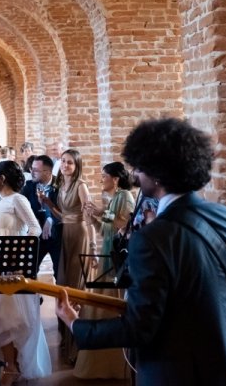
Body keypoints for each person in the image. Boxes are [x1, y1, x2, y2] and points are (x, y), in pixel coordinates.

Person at [56, 118, 226, 386]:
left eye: (139, 167)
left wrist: (75, 323)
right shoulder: (223, 215)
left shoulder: (152, 237)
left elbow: (139, 327)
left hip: (175, 372)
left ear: (157, 173)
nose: (135, 173)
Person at [0, 161, 51, 382]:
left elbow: (34, 227)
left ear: (2, 178)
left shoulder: (18, 199)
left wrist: (18, 250)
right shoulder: (0, 202)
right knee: (1, 318)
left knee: (17, 318)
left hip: (14, 267)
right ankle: (11, 365)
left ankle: (17, 366)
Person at [73, 161, 136, 380]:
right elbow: (107, 231)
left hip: (118, 263)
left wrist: (101, 212)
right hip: (107, 257)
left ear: (116, 179)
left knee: (111, 310)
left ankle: (116, 366)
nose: (101, 179)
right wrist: (93, 219)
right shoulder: (113, 198)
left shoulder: (125, 196)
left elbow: (125, 224)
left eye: (104, 175)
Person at [38, 148, 95, 364]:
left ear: (77, 165)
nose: (65, 165)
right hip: (65, 234)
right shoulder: (61, 185)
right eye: (63, 161)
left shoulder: (81, 186)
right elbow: (62, 216)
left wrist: (93, 245)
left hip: (79, 235)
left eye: (70, 162)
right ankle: (65, 339)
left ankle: (77, 347)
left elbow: (87, 217)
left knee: (75, 287)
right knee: (61, 284)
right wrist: (48, 204)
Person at [20, 155, 62, 271]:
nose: (31, 172)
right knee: (29, 269)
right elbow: (22, 208)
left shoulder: (60, 186)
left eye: (36, 170)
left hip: (57, 236)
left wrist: (50, 220)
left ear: (48, 172)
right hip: (36, 237)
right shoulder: (29, 186)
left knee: (59, 272)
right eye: (31, 169)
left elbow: (65, 211)